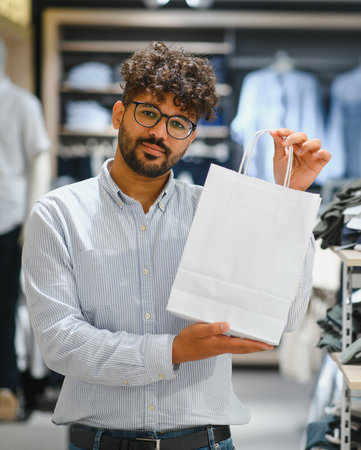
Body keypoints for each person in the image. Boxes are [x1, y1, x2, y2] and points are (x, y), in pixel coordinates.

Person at [22, 41, 331, 449]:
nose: (159, 133)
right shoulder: (57, 214)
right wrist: (172, 350)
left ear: (190, 139)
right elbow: (60, 342)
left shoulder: (219, 212)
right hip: (98, 441)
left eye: (178, 124)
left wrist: (288, 200)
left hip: (204, 441)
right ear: (120, 114)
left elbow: (283, 318)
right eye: (149, 112)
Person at [0, 37, 51, 421]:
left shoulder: (22, 103)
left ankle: (8, 387)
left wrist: (33, 217)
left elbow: (40, 157)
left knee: (5, 309)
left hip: (8, 218)